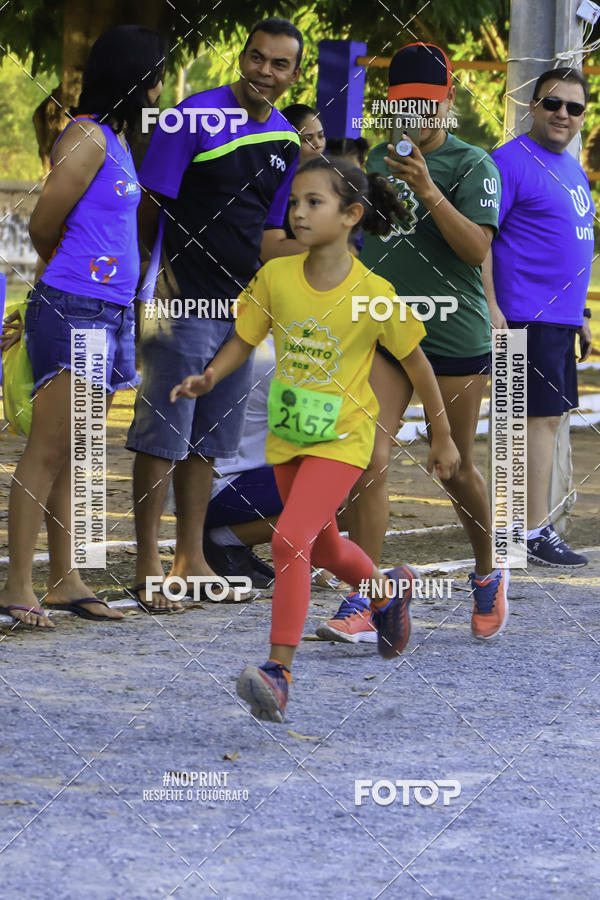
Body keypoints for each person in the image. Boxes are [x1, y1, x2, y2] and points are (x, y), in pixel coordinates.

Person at [171, 155, 461, 721]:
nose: (298, 214)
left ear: (351, 214)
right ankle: (386, 590)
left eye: (313, 203)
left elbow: (419, 365)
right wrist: (212, 374)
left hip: (344, 441)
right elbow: (242, 336)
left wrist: (442, 435)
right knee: (325, 549)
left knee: (289, 542)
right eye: (294, 203)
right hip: (290, 438)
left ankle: (278, 671)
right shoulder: (276, 277)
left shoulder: (374, 292)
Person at [321, 42, 509, 645]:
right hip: (385, 336)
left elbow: (477, 250)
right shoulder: (375, 160)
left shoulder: (474, 163)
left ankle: (487, 570)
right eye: (403, 104)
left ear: (449, 100)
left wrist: (428, 189)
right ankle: (368, 593)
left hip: (454, 335)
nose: (414, 116)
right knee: (365, 461)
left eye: (427, 104)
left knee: (452, 468)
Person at [126, 18, 303, 612]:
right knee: (162, 438)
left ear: (294, 75)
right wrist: (142, 287)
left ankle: (190, 559)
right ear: (242, 58)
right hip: (177, 302)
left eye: (280, 65)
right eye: (257, 58)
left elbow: (269, 234)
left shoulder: (285, 142)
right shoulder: (190, 117)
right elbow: (150, 208)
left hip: (240, 311)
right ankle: (150, 563)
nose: (265, 72)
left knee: (207, 444)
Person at [0, 26, 165, 628]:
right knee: (45, 452)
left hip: (108, 312)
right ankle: (19, 587)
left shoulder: (116, 141)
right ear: (134, 78)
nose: (158, 89)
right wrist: (64, 277)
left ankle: (65, 578)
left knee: (72, 453)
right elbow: (44, 224)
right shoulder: (87, 136)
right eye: (153, 76)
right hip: (75, 307)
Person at [486, 67, 593, 567]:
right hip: (522, 315)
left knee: (545, 421)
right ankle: (525, 532)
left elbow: (571, 245)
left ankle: (522, 534)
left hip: (559, 319)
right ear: (533, 106)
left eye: (574, 108)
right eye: (554, 104)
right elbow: (480, 241)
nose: (563, 115)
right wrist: (491, 306)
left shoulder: (571, 168)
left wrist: (583, 316)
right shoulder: (508, 162)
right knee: (525, 425)